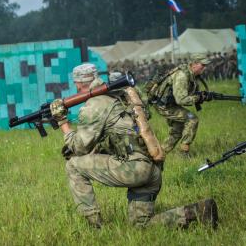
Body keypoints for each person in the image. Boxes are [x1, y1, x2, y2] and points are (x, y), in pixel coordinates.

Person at [49, 63, 218, 229]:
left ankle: (95, 226)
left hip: (134, 170)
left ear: (78, 84)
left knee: (73, 166)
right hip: (152, 168)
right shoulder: (123, 94)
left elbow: (78, 148)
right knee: (140, 225)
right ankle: (198, 211)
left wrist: (62, 121)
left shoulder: (96, 105)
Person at [151, 53, 212, 157]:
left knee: (177, 129)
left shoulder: (191, 74)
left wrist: (201, 95)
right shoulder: (182, 76)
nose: (204, 68)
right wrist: (199, 98)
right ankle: (184, 153)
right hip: (164, 106)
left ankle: (160, 154)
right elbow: (181, 99)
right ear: (194, 64)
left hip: (170, 104)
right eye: (203, 65)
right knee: (192, 119)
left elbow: (186, 93)